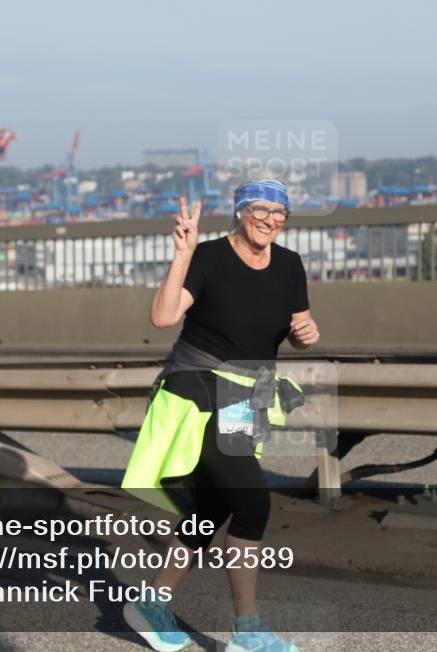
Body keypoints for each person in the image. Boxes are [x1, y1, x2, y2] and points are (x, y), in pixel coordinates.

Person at [121, 179, 319, 652]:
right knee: (253, 502)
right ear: (240, 212)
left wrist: (306, 335)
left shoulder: (289, 265)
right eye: (261, 209)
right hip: (197, 389)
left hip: (242, 396)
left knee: (213, 507)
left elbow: (299, 328)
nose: (270, 219)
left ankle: (151, 603)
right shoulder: (208, 257)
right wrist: (183, 254)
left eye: (280, 212)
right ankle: (247, 631)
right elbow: (163, 318)